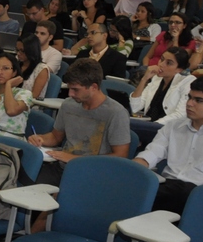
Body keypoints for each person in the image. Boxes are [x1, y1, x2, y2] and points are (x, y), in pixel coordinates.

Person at [134, 74, 203, 215]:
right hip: (168, 188)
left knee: (181, 190)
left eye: (198, 100)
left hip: (202, 197)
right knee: (131, 184)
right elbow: (152, 153)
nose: (189, 103)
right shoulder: (173, 126)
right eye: (189, 97)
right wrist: (131, 172)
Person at [26, 58, 131, 187]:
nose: (70, 93)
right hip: (63, 167)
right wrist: (40, 139)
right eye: (70, 88)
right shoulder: (68, 105)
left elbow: (121, 156)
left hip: (95, 173)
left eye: (76, 89)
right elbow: (55, 137)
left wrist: (74, 159)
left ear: (93, 87)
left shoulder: (116, 113)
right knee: (29, 184)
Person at [130, 48, 195, 125]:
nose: (161, 64)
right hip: (148, 123)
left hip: (167, 128)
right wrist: (144, 79)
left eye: (169, 63)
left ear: (179, 69)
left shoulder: (187, 82)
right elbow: (135, 107)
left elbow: (180, 115)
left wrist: (153, 125)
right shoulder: (156, 78)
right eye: (162, 59)